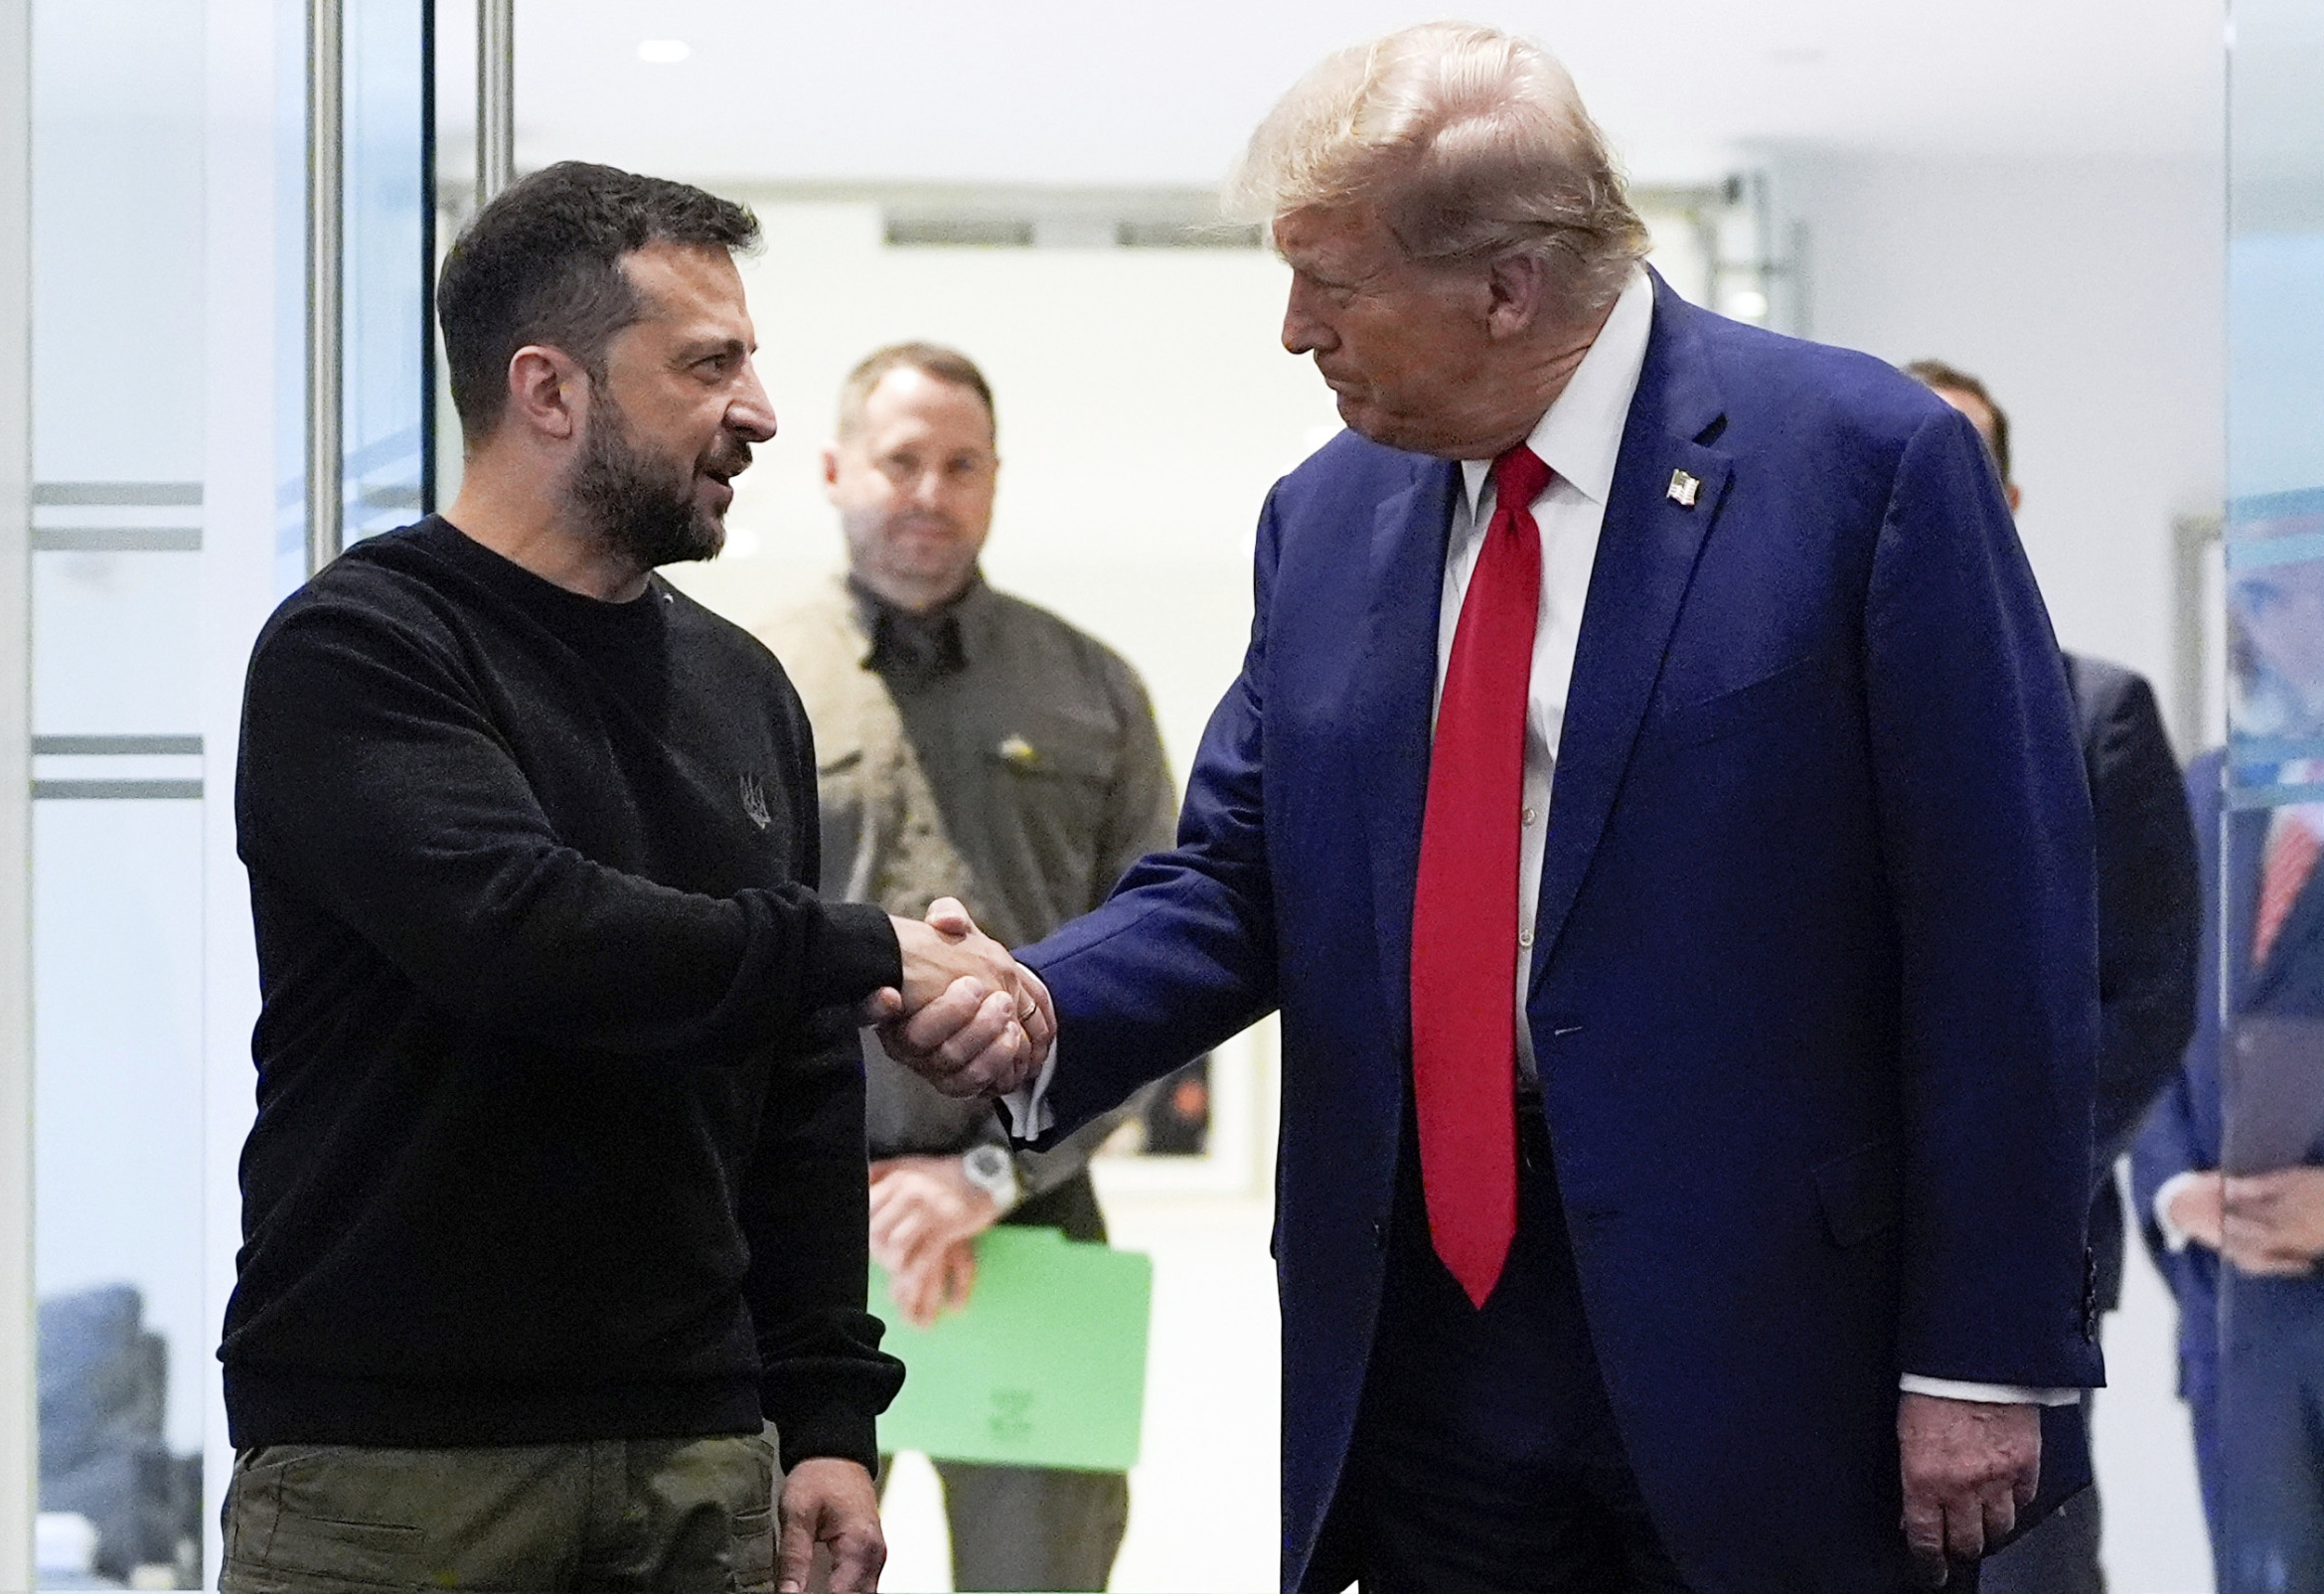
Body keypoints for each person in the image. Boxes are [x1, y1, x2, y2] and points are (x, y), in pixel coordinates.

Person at [887, 24, 2104, 1593]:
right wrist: (1045, 1006)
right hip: (1424, 1342)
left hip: (1774, 1351)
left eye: (1333, 281)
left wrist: (1984, 1355)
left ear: (1508, 286)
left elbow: (2000, 930)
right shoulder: (1324, 518)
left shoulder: (1865, 468)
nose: (1292, 331)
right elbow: (1244, 875)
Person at [218, 162, 1046, 1594]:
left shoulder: (744, 690)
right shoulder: (361, 650)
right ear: (549, 389)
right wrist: (869, 950)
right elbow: (525, 936)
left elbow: (795, 1095)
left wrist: (828, 1418)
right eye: (709, 365)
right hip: (395, 1475)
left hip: (699, 1459)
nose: (762, 414)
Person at [756, 342, 1183, 1591]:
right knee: (792, 1563)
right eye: (899, 460)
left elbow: (1160, 969)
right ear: (836, 470)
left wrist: (990, 1175)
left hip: (1035, 1233)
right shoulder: (748, 680)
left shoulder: (1093, 690)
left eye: (960, 465)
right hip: (802, 1251)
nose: (927, 491)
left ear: (995, 481)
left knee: (1039, 1576)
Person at [1908, 362, 2201, 1594]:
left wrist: (1998, 1184)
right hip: (1810, 1268)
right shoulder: (1786, 714)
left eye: (1960, 471)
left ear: (2009, 498)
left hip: (2027, 1262)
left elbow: (2146, 1000)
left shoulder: (2099, 712)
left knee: (2028, 1564)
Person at [2132, 548, 2324, 1594]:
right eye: (2270, 591)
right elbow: (2144, 1019)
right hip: (2233, 1331)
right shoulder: (2205, 792)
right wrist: (2172, 1189)